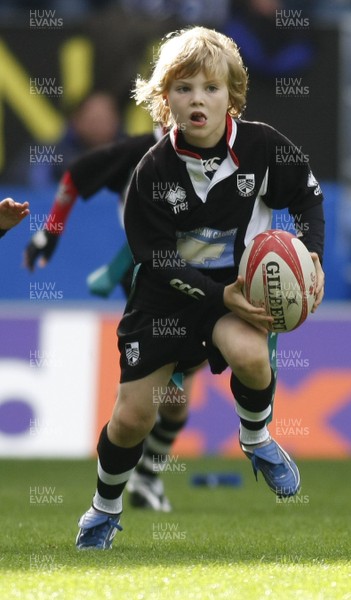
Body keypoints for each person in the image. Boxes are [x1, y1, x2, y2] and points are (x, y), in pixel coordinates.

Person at [76, 26, 325, 550]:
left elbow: (307, 196)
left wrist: (314, 256)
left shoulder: (262, 146)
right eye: (184, 87)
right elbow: (156, 259)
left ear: (231, 96)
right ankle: (105, 507)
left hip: (233, 293)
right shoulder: (152, 171)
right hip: (164, 299)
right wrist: (220, 298)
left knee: (252, 355)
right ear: (164, 97)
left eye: (211, 88)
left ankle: (255, 439)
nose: (197, 99)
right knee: (132, 418)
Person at [24, 128, 191, 512]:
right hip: (147, 275)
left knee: (176, 401)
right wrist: (49, 233)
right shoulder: (138, 152)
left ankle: (146, 476)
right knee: (166, 393)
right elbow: (77, 175)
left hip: (197, 275)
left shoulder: (223, 152)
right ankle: (126, 486)